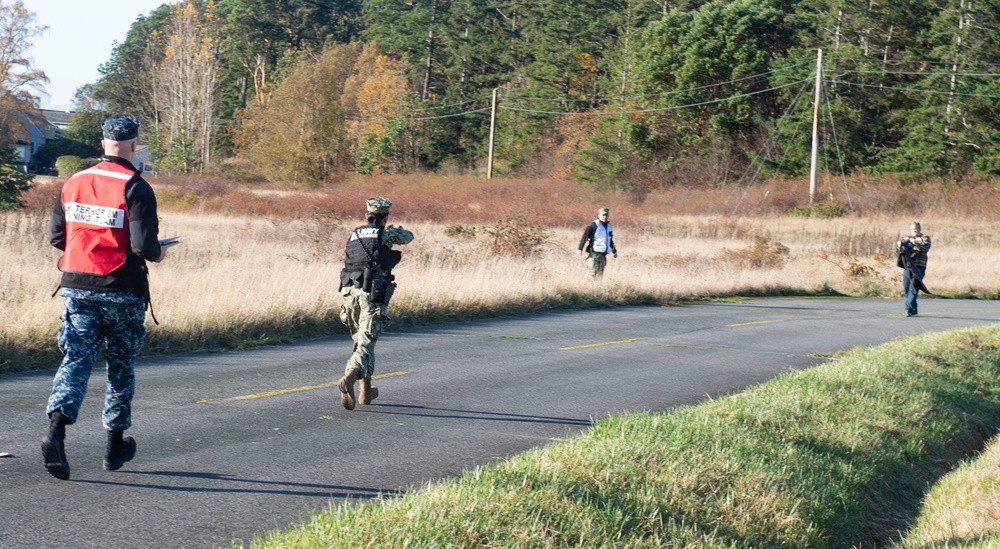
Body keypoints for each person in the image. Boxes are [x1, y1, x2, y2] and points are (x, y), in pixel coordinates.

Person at [42, 114, 167, 480]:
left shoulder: (73, 183)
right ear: (133, 145)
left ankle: (55, 430)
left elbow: (56, 238)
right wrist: (161, 253)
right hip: (121, 291)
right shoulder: (136, 186)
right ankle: (114, 448)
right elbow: (144, 246)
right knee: (120, 367)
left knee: (75, 361)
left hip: (77, 286)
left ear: (102, 144)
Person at [336, 197, 413, 410]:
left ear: (365, 215)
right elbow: (408, 237)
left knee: (361, 341)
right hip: (371, 294)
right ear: (385, 216)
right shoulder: (385, 233)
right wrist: (393, 229)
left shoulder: (354, 233)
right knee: (366, 342)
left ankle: (365, 392)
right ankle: (349, 377)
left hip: (348, 292)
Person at [896, 221, 931, 317]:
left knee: (914, 288)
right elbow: (900, 249)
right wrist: (899, 245)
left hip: (919, 267)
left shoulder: (925, 238)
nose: (915, 231)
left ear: (920, 230)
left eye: (917, 229)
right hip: (908, 266)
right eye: (913, 230)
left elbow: (925, 248)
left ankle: (907, 309)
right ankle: (913, 309)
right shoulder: (906, 238)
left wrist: (915, 244)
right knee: (907, 287)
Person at [577, 207, 618, 278]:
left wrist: (614, 251)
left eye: (606, 215)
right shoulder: (593, 225)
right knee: (593, 273)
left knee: (600, 275)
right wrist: (580, 249)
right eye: (603, 215)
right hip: (593, 253)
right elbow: (584, 237)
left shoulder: (609, 226)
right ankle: (585, 287)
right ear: (599, 215)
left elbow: (610, 240)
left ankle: (596, 288)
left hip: (603, 255)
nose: (605, 217)